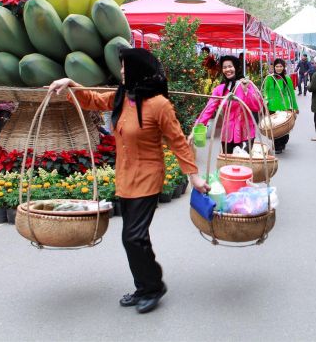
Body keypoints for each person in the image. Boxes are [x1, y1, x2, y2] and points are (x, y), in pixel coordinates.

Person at [49, 48, 208, 314]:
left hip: (147, 176)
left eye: (125, 67)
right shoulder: (122, 97)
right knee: (133, 237)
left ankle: (153, 286)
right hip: (126, 176)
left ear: (138, 71)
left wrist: (194, 175)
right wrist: (69, 84)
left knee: (133, 237)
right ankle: (144, 286)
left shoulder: (159, 105)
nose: (121, 71)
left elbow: (178, 142)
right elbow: (90, 99)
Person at [195, 56, 262, 154]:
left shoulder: (246, 85)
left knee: (242, 164)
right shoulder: (220, 89)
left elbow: (257, 106)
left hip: (245, 133)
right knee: (229, 165)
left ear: (236, 67)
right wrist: (198, 125)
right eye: (224, 67)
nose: (227, 70)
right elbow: (209, 109)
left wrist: (246, 91)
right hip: (228, 134)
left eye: (230, 66)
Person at [262, 58, 299, 155]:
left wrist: (295, 107)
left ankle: (282, 142)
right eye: (277, 66)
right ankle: (277, 145)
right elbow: (265, 91)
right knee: (274, 127)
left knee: (283, 127)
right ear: (273, 67)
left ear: (284, 67)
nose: (278, 68)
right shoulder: (270, 78)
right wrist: (265, 99)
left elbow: (291, 94)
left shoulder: (287, 79)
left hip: (284, 106)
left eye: (280, 66)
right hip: (272, 106)